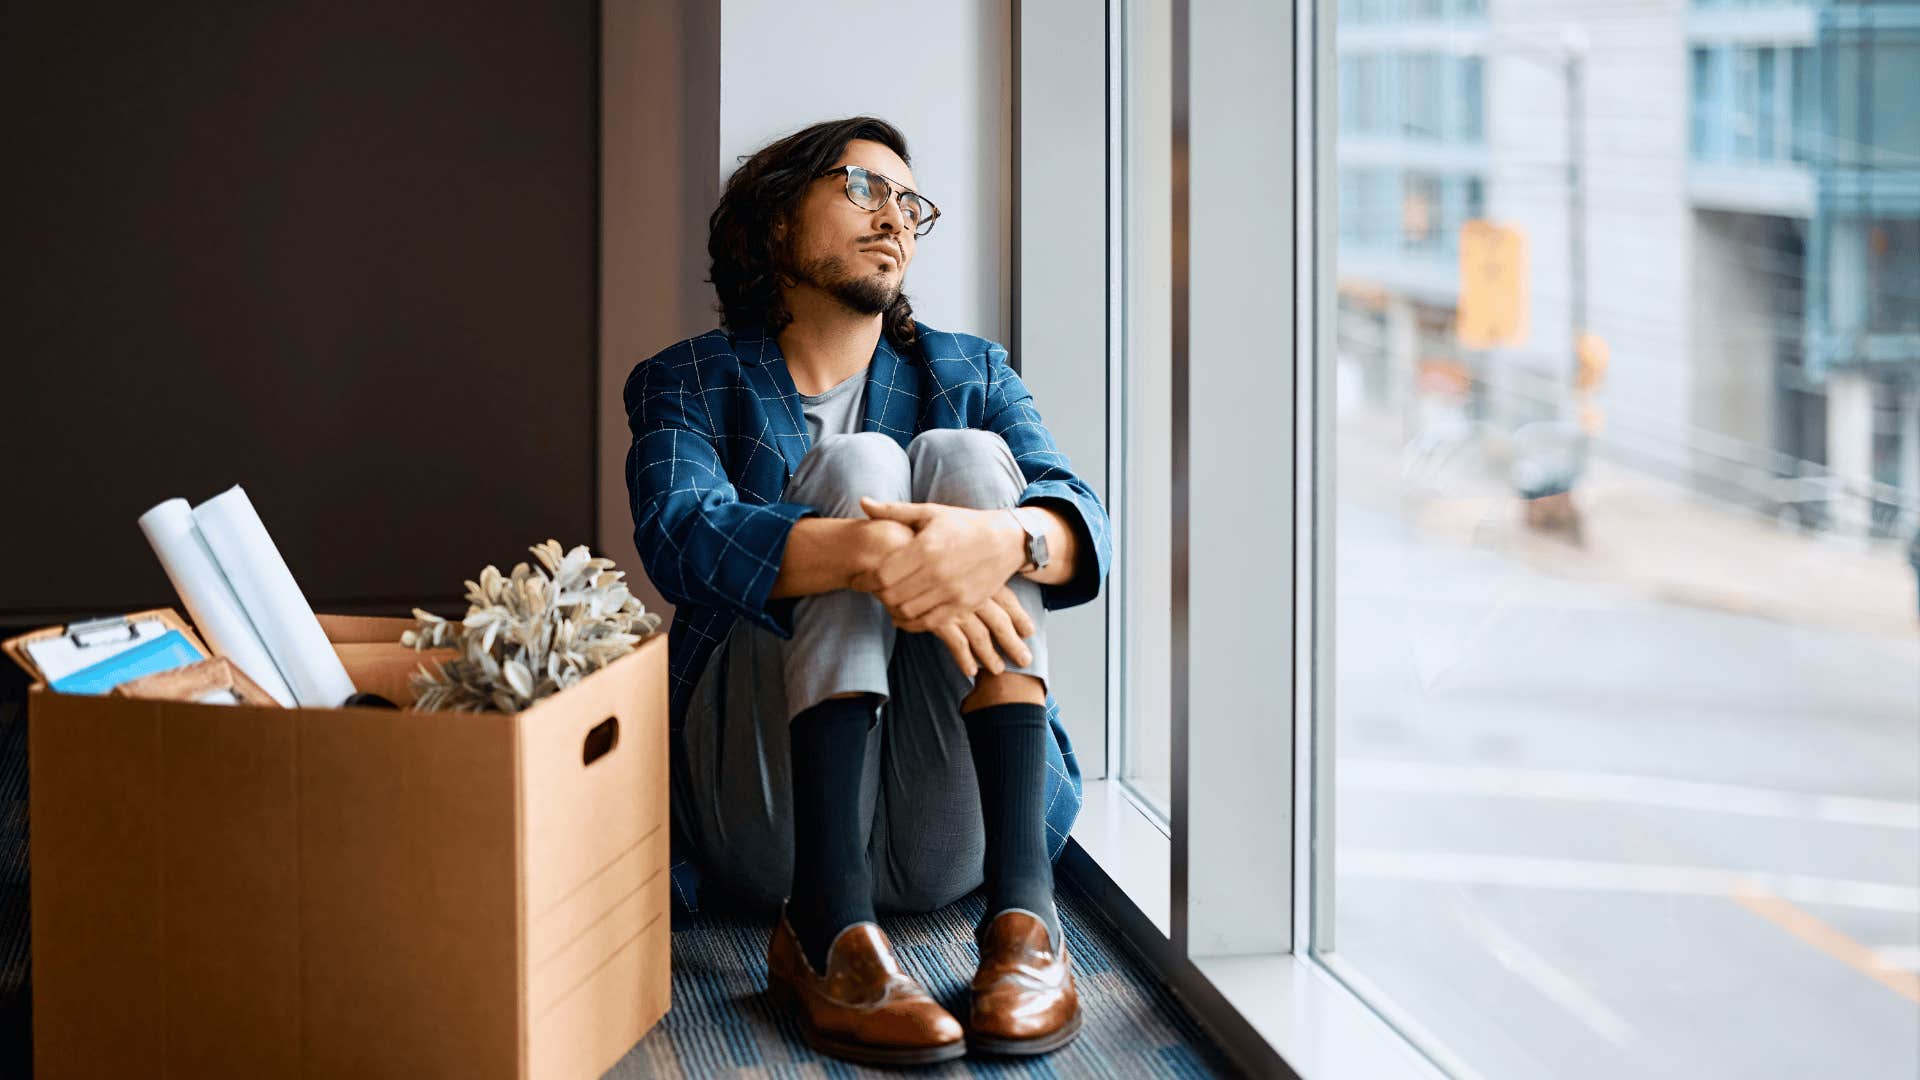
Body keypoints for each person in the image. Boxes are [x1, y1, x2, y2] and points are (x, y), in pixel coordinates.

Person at [623, 117, 1111, 1065]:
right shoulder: (689, 379)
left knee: (971, 460)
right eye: (862, 188)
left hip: (949, 827)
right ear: (773, 224)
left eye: (910, 202)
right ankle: (824, 930)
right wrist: (865, 553)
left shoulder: (968, 369)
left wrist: (993, 538)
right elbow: (678, 538)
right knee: (855, 469)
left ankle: (1025, 922)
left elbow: (1076, 517)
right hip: (766, 814)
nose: (896, 216)